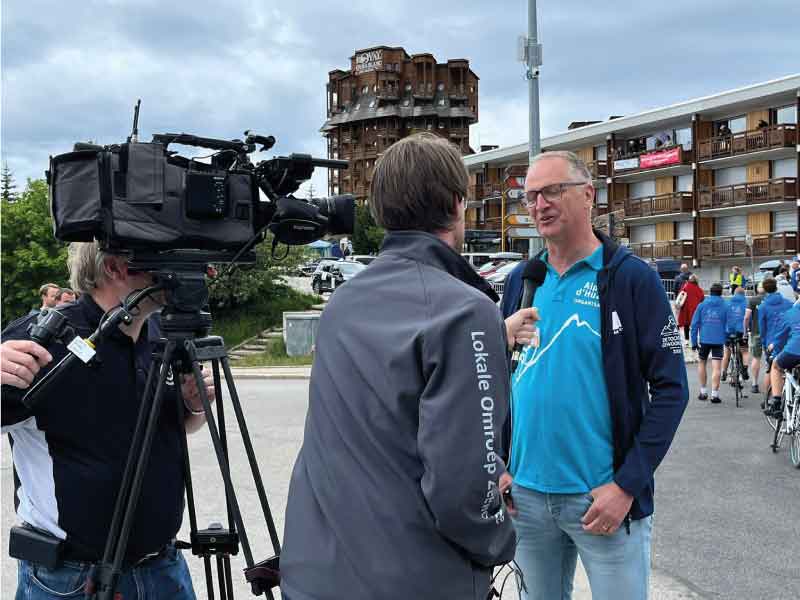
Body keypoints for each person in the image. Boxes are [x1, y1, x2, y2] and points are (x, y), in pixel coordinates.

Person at [281, 133, 529, 600]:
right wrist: (499, 538)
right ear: (459, 204)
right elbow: (462, 491)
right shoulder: (464, 310)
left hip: (318, 574)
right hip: (413, 579)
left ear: (380, 211)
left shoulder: (342, 302)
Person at [499, 151, 688, 600]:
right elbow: (494, 382)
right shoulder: (521, 280)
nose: (539, 204)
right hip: (524, 498)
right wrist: (497, 464)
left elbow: (671, 389)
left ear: (588, 196)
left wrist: (627, 485)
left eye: (551, 191)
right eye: (530, 196)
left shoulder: (631, 280)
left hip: (603, 501)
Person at [1, 240, 214, 600]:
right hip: (70, 580)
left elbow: (179, 426)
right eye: (157, 260)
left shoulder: (165, 332)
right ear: (115, 267)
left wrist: (194, 405)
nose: (173, 272)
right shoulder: (43, 337)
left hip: (164, 569)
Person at [758, 276, 794, 405]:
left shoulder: (763, 306)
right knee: (790, 369)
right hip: (789, 340)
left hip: (772, 341)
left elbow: (762, 327)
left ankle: (769, 400)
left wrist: (763, 341)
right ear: (776, 287)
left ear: (765, 290)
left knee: (771, 369)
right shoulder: (789, 303)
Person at [690, 283, 727, 403]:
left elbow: (694, 324)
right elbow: (729, 324)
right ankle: (714, 395)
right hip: (718, 339)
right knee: (717, 367)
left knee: (702, 363)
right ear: (721, 293)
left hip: (705, 339)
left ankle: (703, 391)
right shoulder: (725, 305)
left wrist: (694, 341)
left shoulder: (701, 305)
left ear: (710, 292)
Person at [767, 298, 800, 417]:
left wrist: (775, 351)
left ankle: (776, 402)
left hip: (794, 350)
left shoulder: (789, 314)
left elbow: (780, 340)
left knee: (776, 366)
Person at [721, 286, 750, 383]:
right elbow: (748, 318)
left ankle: (724, 373)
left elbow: (723, 317)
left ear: (734, 293)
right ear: (743, 294)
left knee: (727, 352)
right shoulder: (746, 303)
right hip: (741, 331)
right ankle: (745, 370)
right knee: (745, 351)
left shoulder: (727, 303)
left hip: (728, 331)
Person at [744, 283, 766, 394]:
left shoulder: (752, 300)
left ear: (757, 289)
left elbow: (747, 317)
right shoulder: (769, 299)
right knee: (770, 360)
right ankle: (771, 384)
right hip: (770, 334)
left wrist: (746, 330)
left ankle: (754, 384)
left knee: (756, 358)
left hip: (756, 332)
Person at [677, 274, 704, 355]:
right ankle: (697, 342)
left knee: (686, 324)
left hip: (686, 309)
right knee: (696, 327)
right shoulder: (699, 289)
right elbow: (702, 299)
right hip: (696, 310)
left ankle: (686, 341)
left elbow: (680, 295)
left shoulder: (685, 286)